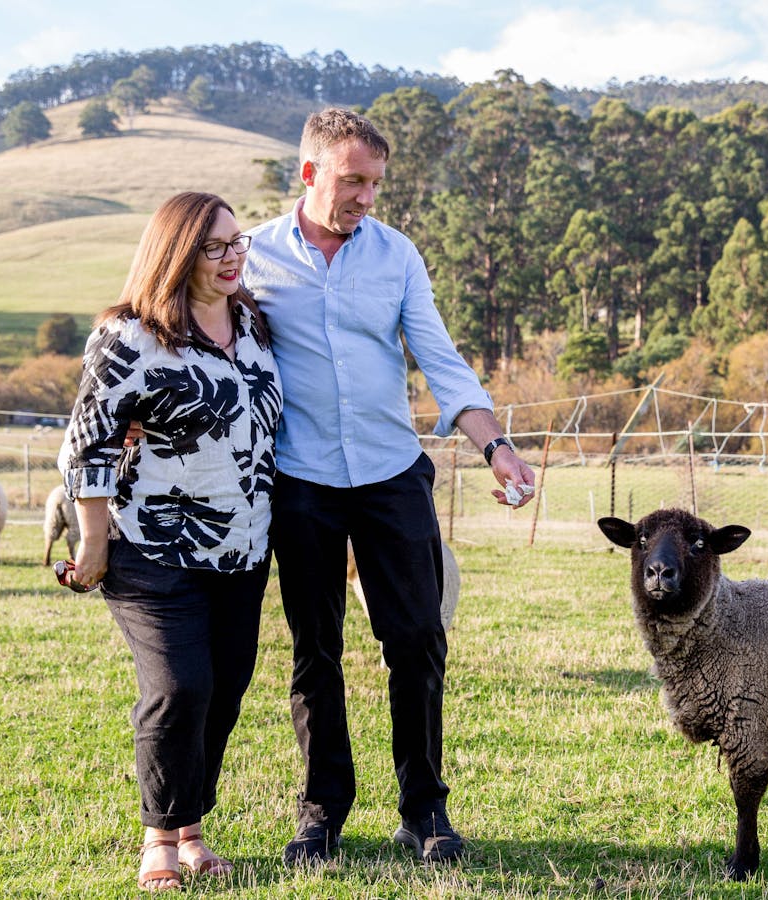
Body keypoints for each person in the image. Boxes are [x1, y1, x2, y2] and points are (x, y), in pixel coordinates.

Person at [242, 108, 536, 866]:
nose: (366, 197)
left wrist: (494, 445)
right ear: (309, 174)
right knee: (316, 651)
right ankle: (322, 814)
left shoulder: (396, 254)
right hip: (300, 478)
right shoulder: (253, 259)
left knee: (417, 640)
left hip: (391, 472)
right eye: (353, 181)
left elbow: (439, 357)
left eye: (375, 183)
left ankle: (424, 809)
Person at [59, 191, 282, 891]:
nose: (231, 258)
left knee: (224, 690)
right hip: (152, 545)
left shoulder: (253, 325)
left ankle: (192, 830)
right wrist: (93, 542)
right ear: (175, 252)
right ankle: (159, 837)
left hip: (245, 549)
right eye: (213, 247)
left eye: (237, 243)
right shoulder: (129, 337)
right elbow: (87, 445)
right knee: (179, 687)